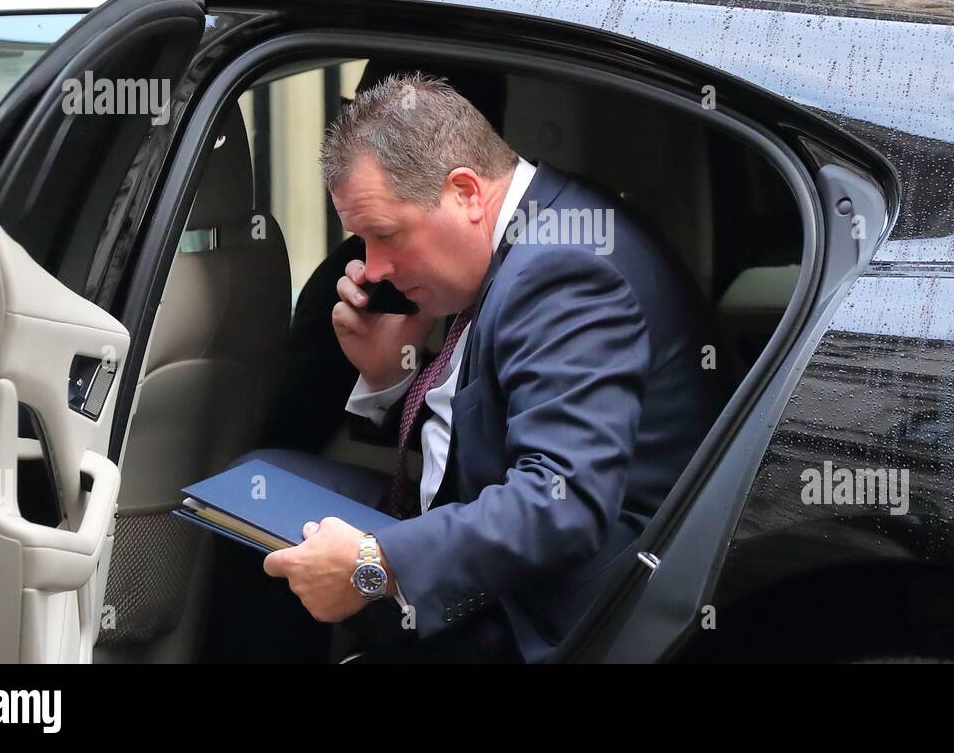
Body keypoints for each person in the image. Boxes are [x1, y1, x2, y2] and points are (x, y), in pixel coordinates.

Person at [254, 71, 720, 662]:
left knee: (271, 551)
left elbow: (563, 503)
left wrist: (374, 564)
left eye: (385, 235)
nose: (371, 268)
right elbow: (478, 425)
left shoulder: (565, 271)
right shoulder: (525, 233)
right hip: (482, 534)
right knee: (259, 488)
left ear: (466, 192)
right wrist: (388, 373)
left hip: (549, 612)